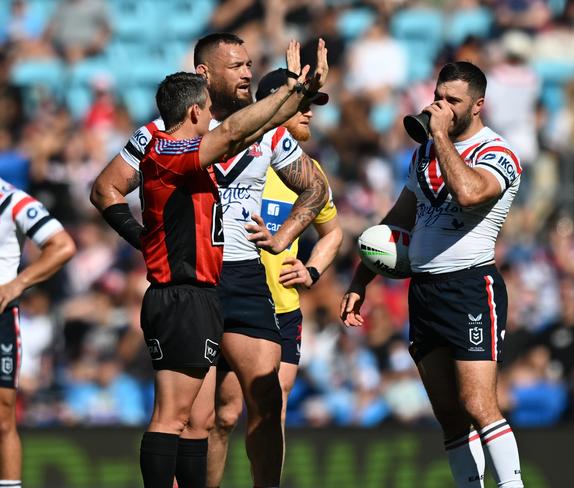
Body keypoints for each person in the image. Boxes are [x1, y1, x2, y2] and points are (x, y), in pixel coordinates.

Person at [90, 33, 329, 488]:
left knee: (265, 395)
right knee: (198, 417)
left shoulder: (270, 133)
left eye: (249, 64)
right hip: (193, 279)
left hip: (242, 273)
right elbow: (105, 189)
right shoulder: (161, 137)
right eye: (236, 65)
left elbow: (314, 188)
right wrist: (144, 240)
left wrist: (286, 235)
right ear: (204, 74)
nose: (247, 73)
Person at [341, 61, 525, 488]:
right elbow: (399, 219)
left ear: (478, 106)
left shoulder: (498, 153)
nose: (440, 107)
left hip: (470, 287)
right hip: (423, 290)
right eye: (438, 97)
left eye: (452, 101)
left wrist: (440, 135)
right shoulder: (423, 153)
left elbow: (469, 192)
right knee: (448, 413)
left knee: (478, 404)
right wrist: (360, 280)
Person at [206, 68, 343, 486]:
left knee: (272, 406)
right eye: (302, 105)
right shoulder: (237, 158)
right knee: (223, 417)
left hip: (282, 309)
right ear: (273, 106)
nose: (309, 115)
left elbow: (333, 232)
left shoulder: (308, 172)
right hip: (231, 298)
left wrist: (313, 269)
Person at [0, 177, 76, 488]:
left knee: (3, 417)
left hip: (1, 318)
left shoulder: (14, 200)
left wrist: (16, 284)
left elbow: (62, 245)